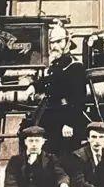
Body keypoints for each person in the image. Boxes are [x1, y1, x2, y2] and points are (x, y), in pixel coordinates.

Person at [25, 23, 87, 157]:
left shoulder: (75, 67)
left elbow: (79, 99)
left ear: (68, 43)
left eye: (59, 42)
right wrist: (34, 86)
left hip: (65, 119)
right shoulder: (56, 65)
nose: (54, 46)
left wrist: (69, 124)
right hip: (50, 115)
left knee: (61, 157)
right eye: (52, 42)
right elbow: (49, 80)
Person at [4, 124, 75, 187]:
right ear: (25, 142)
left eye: (37, 141)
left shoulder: (51, 158)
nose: (34, 144)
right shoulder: (15, 160)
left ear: (43, 142)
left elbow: (61, 175)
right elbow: (10, 183)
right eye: (31, 141)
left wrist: (64, 185)